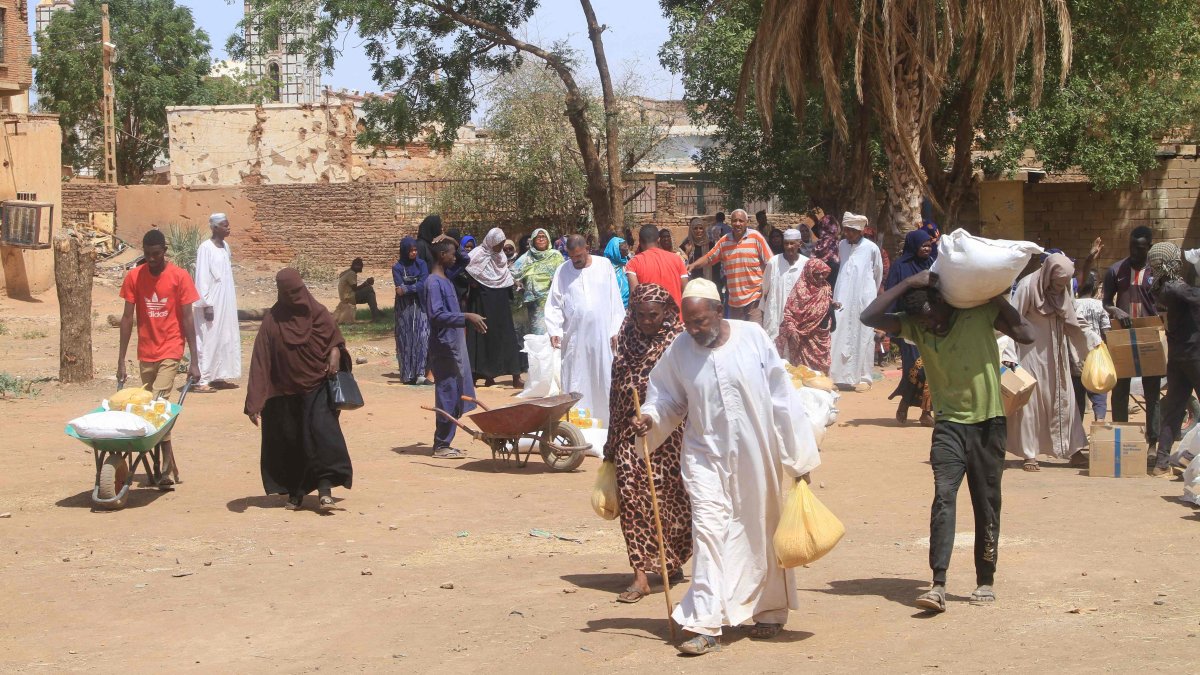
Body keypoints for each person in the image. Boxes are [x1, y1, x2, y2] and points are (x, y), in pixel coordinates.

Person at [630, 278, 821, 655]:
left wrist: (798, 459)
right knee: (708, 532)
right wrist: (650, 418)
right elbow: (667, 398)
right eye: (688, 323)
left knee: (759, 528)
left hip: (756, 453)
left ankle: (768, 610)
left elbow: (782, 399)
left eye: (701, 321)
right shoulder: (680, 349)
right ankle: (705, 623)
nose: (694, 330)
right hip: (705, 456)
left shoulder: (752, 338)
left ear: (719, 311)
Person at [861, 269, 1033, 614]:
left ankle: (985, 579)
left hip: (989, 424)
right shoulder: (915, 325)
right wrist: (910, 282)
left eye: (934, 319)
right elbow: (869, 316)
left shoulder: (976, 313)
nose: (931, 328)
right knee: (943, 498)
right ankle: (938, 583)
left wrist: (993, 292)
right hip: (949, 426)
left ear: (945, 305)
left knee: (987, 503)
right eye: (923, 324)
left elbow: (1024, 333)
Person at [604, 283, 692, 604]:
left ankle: (670, 560)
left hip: (669, 436)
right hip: (630, 435)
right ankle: (640, 575)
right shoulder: (626, 341)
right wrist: (611, 442)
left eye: (653, 315)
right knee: (632, 501)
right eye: (640, 315)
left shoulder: (678, 343)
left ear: (666, 312)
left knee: (669, 502)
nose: (646, 321)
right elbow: (615, 393)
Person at [244, 269, 353, 511]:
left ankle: (325, 490)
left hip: (317, 386)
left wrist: (335, 353)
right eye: (288, 293)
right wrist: (254, 402)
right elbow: (260, 361)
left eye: (297, 291)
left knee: (322, 436)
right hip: (285, 393)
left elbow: (335, 339)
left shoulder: (318, 313)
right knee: (293, 442)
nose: (294, 297)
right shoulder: (273, 321)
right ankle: (296, 492)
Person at [117, 228, 202, 487]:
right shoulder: (134, 276)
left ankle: (163, 468)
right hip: (146, 351)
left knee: (157, 402)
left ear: (164, 251)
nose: (151, 259)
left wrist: (195, 360)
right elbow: (127, 318)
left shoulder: (179, 277)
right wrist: (121, 361)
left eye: (156, 254)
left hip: (170, 349)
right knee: (150, 409)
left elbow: (188, 320)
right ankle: (166, 463)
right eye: (147, 255)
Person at [1005, 253, 1097, 471]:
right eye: (1057, 283)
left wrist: (1093, 342)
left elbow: (1073, 317)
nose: (1059, 288)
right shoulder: (1028, 287)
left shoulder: (1063, 290)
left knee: (1065, 401)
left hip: (1058, 355)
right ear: (1048, 276)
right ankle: (1030, 455)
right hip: (1031, 356)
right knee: (1031, 407)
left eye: (1064, 284)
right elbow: (1011, 319)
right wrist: (1009, 354)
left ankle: (1073, 450)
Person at [545, 235, 626, 424]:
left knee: (603, 376)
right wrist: (555, 330)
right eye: (572, 257)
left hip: (602, 336)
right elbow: (554, 303)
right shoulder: (563, 271)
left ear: (587, 248)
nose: (576, 260)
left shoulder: (604, 265)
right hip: (575, 337)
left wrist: (616, 329)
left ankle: (607, 423)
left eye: (579, 256)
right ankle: (578, 425)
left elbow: (615, 300)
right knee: (576, 377)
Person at [425, 240, 489, 459]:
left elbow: (465, 259)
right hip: (444, 345)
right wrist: (466, 316)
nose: (455, 257)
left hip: (454, 343)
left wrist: (452, 243)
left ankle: (445, 441)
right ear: (442, 255)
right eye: (451, 254)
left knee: (456, 389)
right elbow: (436, 315)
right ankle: (441, 444)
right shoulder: (433, 283)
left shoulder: (446, 277)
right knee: (447, 391)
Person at [1103, 226, 1161, 450]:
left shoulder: (1156, 272)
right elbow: (1107, 301)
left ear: (1149, 247)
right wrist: (1116, 311)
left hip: (1149, 336)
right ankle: (1121, 439)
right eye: (1132, 247)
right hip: (1123, 336)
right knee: (1119, 391)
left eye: (1140, 248)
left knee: (1152, 392)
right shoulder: (1116, 270)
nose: (1135, 251)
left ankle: (1153, 444)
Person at [1148, 243, 1200, 476]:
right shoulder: (1176, 289)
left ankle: (1161, 462)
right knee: (1175, 408)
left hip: (1177, 356)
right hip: (1194, 355)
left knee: (1174, 409)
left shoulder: (1157, 290)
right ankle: (1189, 458)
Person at [827, 212, 883, 392]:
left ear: (860, 231)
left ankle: (864, 377)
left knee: (863, 332)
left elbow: (877, 273)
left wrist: (868, 293)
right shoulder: (841, 245)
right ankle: (836, 376)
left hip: (863, 296)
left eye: (851, 230)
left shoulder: (871, 248)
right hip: (843, 295)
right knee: (839, 331)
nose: (848, 234)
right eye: (846, 230)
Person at [885, 230, 936, 425]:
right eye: (923, 245)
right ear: (914, 245)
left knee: (931, 368)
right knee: (915, 368)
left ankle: (926, 412)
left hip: (930, 323)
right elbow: (892, 294)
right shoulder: (900, 266)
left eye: (929, 245)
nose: (926, 249)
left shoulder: (932, 264)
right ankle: (906, 401)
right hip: (908, 324)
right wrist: (890, 323)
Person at [687, 209, 773, 324]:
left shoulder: (756, 237)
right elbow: (709, 258)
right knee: (737, 337)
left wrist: (767, 289)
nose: (738, 224)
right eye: (735, 221)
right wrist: (693, 265)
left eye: (741, 221)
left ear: (746, 222)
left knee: (754, 334)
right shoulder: (724, 241)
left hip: (755, 299)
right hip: (734, 301)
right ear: (730, 222)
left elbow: (771, 263)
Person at [464, 227, 524, 389]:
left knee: (506, 336)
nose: (500, 247)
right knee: (482, 338)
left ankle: (515, 376)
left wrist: (514, 283)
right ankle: (479, 376)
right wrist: (472, 281)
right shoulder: (477, 254)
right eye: (498, 243)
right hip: (482, 302)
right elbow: (466, 270)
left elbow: (504, 274)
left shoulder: (501, 256)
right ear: (491, 242)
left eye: (502, 243)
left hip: (500, 302)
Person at [191, 213, 241, 393]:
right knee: (208, 338)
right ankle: (202, 380)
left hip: (226, 299)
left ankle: (218, 376)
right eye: (224, 225)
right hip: (211, 300)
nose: (228, 228)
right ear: (214, 228)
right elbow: (202, 276)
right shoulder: (205, 247)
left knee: (225, 335)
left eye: (228, 225)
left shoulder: (225, 246)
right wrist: (206, 304)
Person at [776, 259, 838, 371]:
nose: (820, 277)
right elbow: (789, 313)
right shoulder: (800, 291)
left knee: (823, 367)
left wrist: (833, 304)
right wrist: (792, 330)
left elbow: (825, 301)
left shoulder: (825, 287)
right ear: (809, 273)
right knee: (804, 371)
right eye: (816, 274)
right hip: (804, 339)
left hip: (822, 336)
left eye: (822, 274)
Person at [1072, 272, 1110, 423]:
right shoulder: (1100, 306)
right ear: (1095, 287)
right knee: (1098, 395)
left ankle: (1077, 439)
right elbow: (1106, 331)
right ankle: (1099, 425)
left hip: (1075, 358)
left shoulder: (1071, 305)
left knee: (1078, 400)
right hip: (1096, 357)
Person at [512, 228, 565, 335]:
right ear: (533, 241)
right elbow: (511, 272)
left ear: (548, 239)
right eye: (538, 237)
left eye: (543, 236)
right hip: (535, 303)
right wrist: (517, 282)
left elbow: (564, 274)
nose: (541, 239)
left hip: (553, 300)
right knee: (538, 333)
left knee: (554, 330)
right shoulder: (527, 257)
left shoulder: (555, 255)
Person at [393, 237, 430, 385]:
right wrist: (412, 286)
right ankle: (407, 375)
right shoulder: (397, 267)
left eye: (415, 250)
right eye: (411, 251)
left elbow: (423, 283)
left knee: (422, 337)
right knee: (405, 338)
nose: (414, 253)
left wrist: (407, 288)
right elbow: (398, 287)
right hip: (404, 309)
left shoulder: (421, 264)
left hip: (420, 305)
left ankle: (420, 373)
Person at [761, 229, 809, 342]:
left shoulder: (806, 264)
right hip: (776, 316)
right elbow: (765, 290)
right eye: (786, 243)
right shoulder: (773, 262)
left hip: (798, 316)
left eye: (792, 243)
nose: (788, 246)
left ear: (800, 244)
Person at [626, 224, 690, 306]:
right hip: (676, 316)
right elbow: (686, 291)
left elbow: (634, 296)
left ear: (640, 241)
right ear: (659, 240)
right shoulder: (677, 259)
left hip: (649, 317)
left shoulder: (634, 263)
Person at [335, 258, 380, 324]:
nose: (362, 268)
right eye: (361, 266)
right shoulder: (351, 273)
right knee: (369, 289)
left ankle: (376, 313)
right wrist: (366, 283)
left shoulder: (347, 272)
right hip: (348, 297)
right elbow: (355, 289)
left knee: (370, 295)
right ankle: (376, 315)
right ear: (356, 266)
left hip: (345, 296)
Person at [505, 239, 531, 338]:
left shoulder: (520, 259)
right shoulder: (500, 261)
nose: (508, 251)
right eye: (505, 249)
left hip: (520, 298)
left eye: (510, 248)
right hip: (508, 299)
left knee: (523, 324)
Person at [604, 235, 632, 308]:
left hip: (628, 304)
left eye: (627, 247)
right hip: (613, 305)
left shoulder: (628, 263)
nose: (627, 250)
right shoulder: (607, 267)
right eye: (623, 249)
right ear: (615, 250)